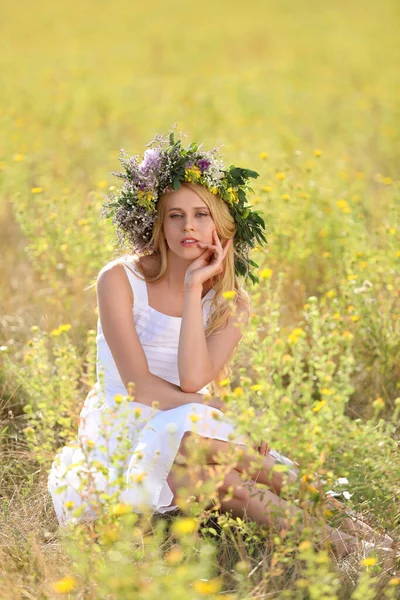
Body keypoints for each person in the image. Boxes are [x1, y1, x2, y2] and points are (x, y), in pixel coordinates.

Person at [48, 130, 394, 559]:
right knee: (226, 468)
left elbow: (194, 377)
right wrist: (222, 408)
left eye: (200, 215)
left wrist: (196, 293)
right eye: (174, 215)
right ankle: (357, 549)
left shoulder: (233, 303)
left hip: (188, 423)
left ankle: (372, 544)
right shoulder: (119, 280)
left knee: (230, 478)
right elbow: (139, 386)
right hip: (124, 431)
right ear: (157, 222)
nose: (188, 226)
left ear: (221, 226)